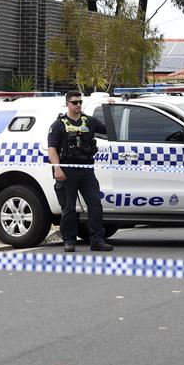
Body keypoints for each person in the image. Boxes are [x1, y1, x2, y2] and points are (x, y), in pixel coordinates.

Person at [48, 91, 113, 252]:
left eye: (80, 102)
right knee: (69, 207)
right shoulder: (58, 125)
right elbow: (52, 149)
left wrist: (111, 107)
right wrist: (57, 168)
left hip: (86, 170)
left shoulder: (89, 122)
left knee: (95, 204)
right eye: (74, 102)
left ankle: (97, 240)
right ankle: (69, 240)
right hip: (67, 170)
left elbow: (110, 130)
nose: (78, 105)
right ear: (67, 104)